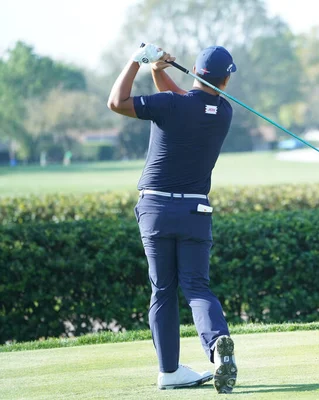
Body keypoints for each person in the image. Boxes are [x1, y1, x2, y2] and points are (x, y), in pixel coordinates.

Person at [107, 43, 238, 394]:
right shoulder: (223, 112)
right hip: (196, 210)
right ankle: (216, 346)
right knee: (196, 286)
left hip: (156, 210)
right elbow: (189, 100)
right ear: (226, 80)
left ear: (196, 70)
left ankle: (169, 371)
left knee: (163, 290)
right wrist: (157, 70)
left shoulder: (170, 105)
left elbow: (117, 102)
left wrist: (137, 61)